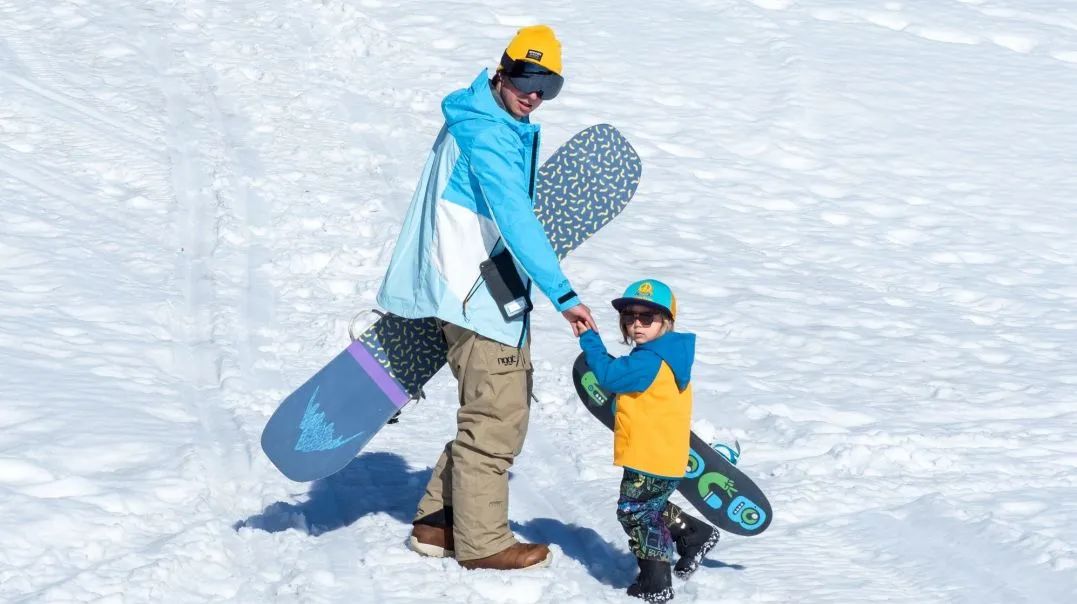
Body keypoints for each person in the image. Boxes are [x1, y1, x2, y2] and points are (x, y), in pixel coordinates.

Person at [376, 24, 596, 571]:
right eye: (526, 77)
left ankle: (438, 523)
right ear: (502, 70)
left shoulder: (480, 120)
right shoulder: (489, 134)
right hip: (477, 298)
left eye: (549, 86)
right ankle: (484, 543)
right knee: (497, 420)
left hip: (472, 290)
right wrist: (564, 294)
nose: (535, 94)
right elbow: (516, 219)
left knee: (483, 415)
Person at [577, 279, 717, 602]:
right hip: (666, 456)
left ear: (666, 321)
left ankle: (656, 581)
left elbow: (610, 375)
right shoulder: (670, 355)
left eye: (647, 317)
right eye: (629, 317)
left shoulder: (648, 361)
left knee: (634, 513)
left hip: (648, 457)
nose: (636, 324)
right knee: (648, 506)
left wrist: (589, 340)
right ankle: (695, 535)